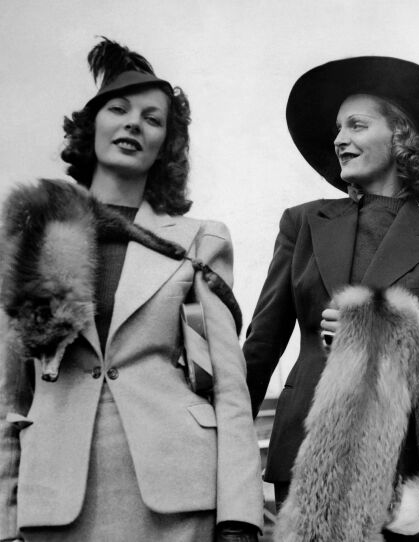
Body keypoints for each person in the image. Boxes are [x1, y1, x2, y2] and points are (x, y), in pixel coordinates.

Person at [0, 38, 262, 542]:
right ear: (91, 126)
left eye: (152, 118)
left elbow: (229, 389)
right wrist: (4, 521)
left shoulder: (199, 241)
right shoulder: (32, 236)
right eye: (118, 110)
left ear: (166, 144)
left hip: (178, 499)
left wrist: (239, 516)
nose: (134, 124)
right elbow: (10, 392)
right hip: (53, 501)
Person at [243, 56, 419, 522]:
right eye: (338, 129)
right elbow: (261, 347)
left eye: (356, 125)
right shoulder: (302, 223)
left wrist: (385, 328)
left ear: (401, 138)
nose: (339, 139)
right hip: (303, 448)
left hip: (401, 460)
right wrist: (224, 446)